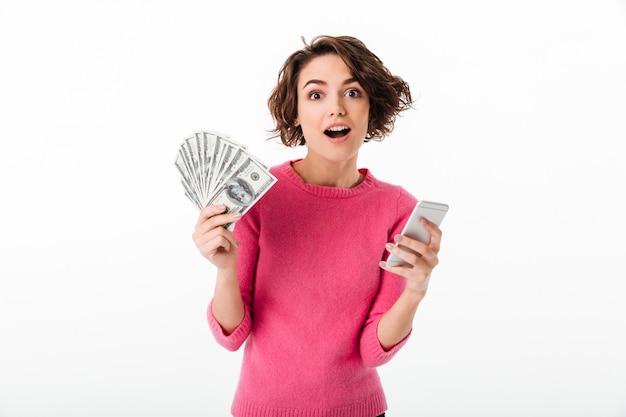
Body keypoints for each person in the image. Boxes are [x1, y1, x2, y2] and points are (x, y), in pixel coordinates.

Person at [192, 35, 443, 417]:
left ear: (370, 107)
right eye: (315, 95)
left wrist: (415, 291)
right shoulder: (257, 195)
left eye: (353, 93)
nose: (336, 109)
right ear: (295, 112)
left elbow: (373, 350)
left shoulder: (397, 208)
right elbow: (231, 336)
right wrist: (226, 270)